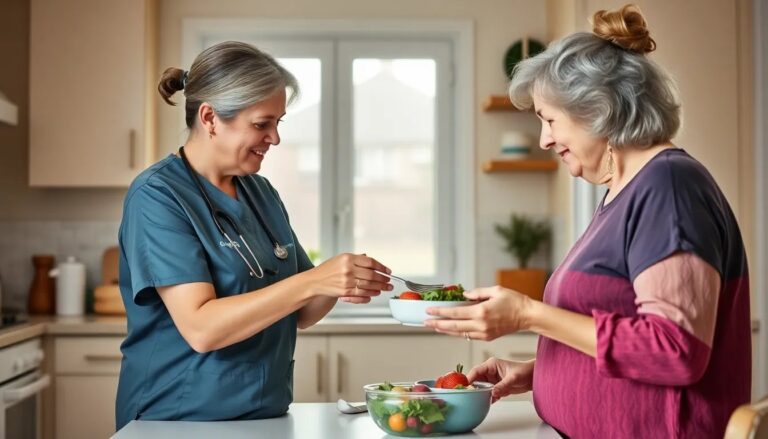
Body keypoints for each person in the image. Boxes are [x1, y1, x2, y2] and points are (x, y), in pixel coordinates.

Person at [425, 5, 750, 438]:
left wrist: (527, 314)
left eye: (549, 119)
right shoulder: (627, 192)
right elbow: (625, 334)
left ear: (599, 109)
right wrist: (542, 370)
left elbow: (674, 351)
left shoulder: (669, 187)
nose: (544, 139)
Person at [115, 41, 392, 429]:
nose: (275, 138)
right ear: (210, 118)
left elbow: (303, 312)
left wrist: (339, 279)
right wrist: (314, 279)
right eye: (262, 124)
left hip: (265, 416)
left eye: (278, 123)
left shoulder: (260, 192)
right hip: (176, 419)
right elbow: (202, 328)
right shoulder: (157, 196)